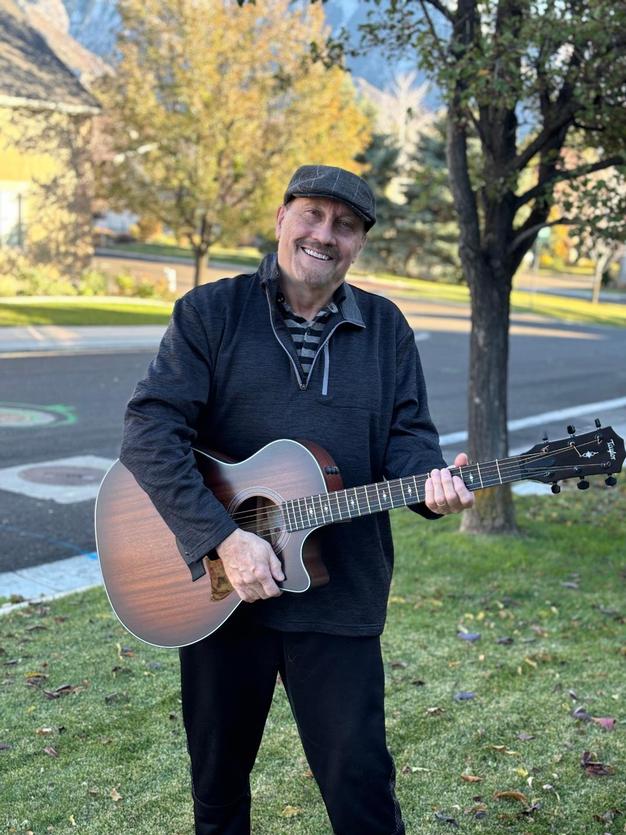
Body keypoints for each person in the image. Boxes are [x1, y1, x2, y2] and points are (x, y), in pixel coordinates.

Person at [120, 164, 475, 834]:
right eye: (312, 214)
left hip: (342, 597)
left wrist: (433, 487)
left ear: (360, 243)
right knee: (218, 793)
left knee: (363, 795)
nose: (324, 234)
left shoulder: (387, 328)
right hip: (219, 597)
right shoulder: (211, 312)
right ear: (282, 216)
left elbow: (409, 441)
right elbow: (149, 431)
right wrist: (223, 538)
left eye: (346, 225)